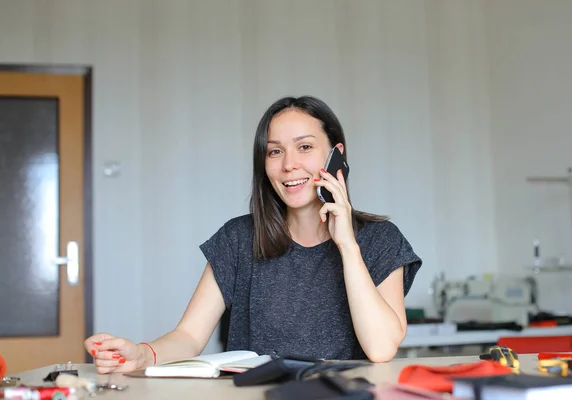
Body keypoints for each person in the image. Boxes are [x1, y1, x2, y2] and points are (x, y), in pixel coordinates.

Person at [84, 96, 422, 374]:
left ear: (337, 155)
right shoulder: (238, 239)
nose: (289, 164)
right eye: (275, 151)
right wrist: (141, 355)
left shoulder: (381, 240)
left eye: (304, 147)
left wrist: (347, 245)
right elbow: (188, 335)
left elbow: (380, 348)